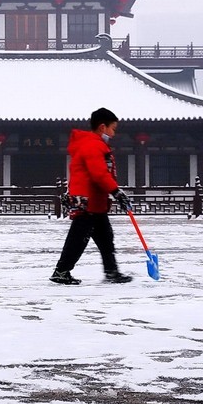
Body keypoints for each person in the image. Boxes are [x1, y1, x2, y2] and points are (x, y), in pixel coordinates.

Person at [51, 107, 134, 285]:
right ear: (103, 127)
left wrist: (114, 192)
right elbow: (99, 174)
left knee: (105, 237)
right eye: (113, 129)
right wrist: (116, 192)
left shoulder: (95, 144)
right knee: (78, 238)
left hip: (96, 202)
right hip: (86, 201)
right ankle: (61, 271)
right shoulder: (92, 145)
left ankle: (111, 272)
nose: (113, 134)